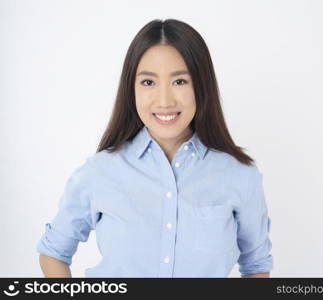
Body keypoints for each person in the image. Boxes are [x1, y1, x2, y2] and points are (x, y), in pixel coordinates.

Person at [36, 18, 273, 278]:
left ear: (201, 86)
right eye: (148, 82)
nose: (164, 100)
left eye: (180, 81)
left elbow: (257, 266)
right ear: (132, 89)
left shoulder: (239, 175)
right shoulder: (99, 172)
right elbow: (54, 252)